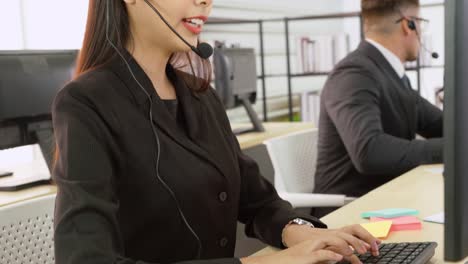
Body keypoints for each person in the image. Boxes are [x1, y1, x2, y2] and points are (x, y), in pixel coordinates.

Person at [52, 0, 381, 263]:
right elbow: (85, 258)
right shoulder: (85, 103)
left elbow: (258, 201)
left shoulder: (201, 96)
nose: (206, 2)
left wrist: (301, 232)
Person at [313, 0, 443, 217]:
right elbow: (369, 151)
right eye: (421, 23)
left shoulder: (392, 75)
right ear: (408, 25)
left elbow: (441, 124)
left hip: (389, 201)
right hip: (350, 216)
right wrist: (455, 148)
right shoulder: (354, 73)